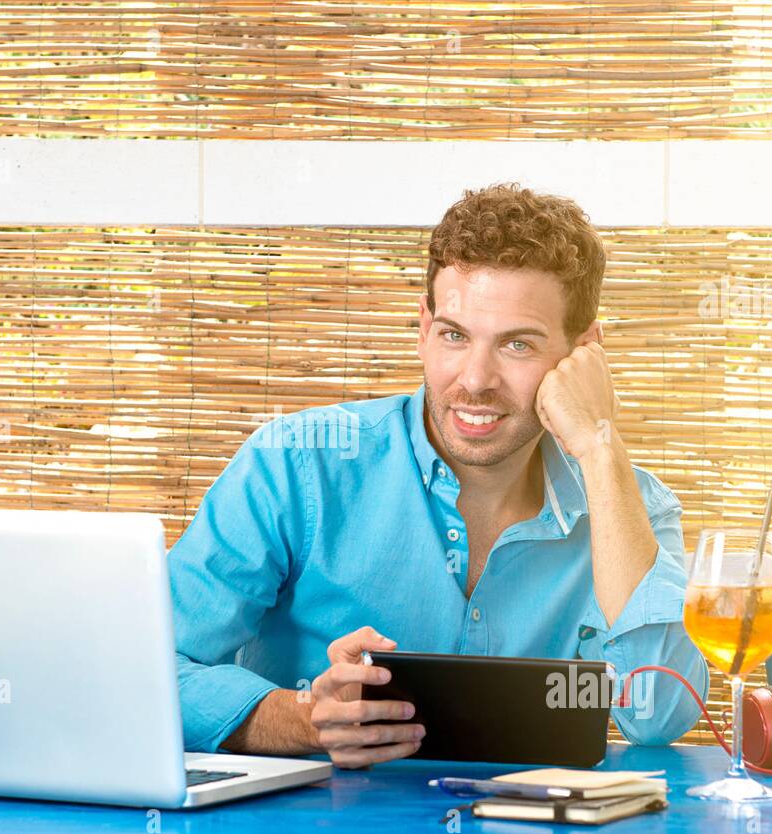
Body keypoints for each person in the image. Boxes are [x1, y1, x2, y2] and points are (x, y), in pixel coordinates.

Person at [167, 182, 709, 769]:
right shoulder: (295, 464)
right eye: (454, 335)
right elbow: (150, 667)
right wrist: (301, 720)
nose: (475, 379)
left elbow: (657, 713)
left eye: (518, 345)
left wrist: (600, 450)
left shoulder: (633, 507)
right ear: (424, 328)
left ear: (584, 354)